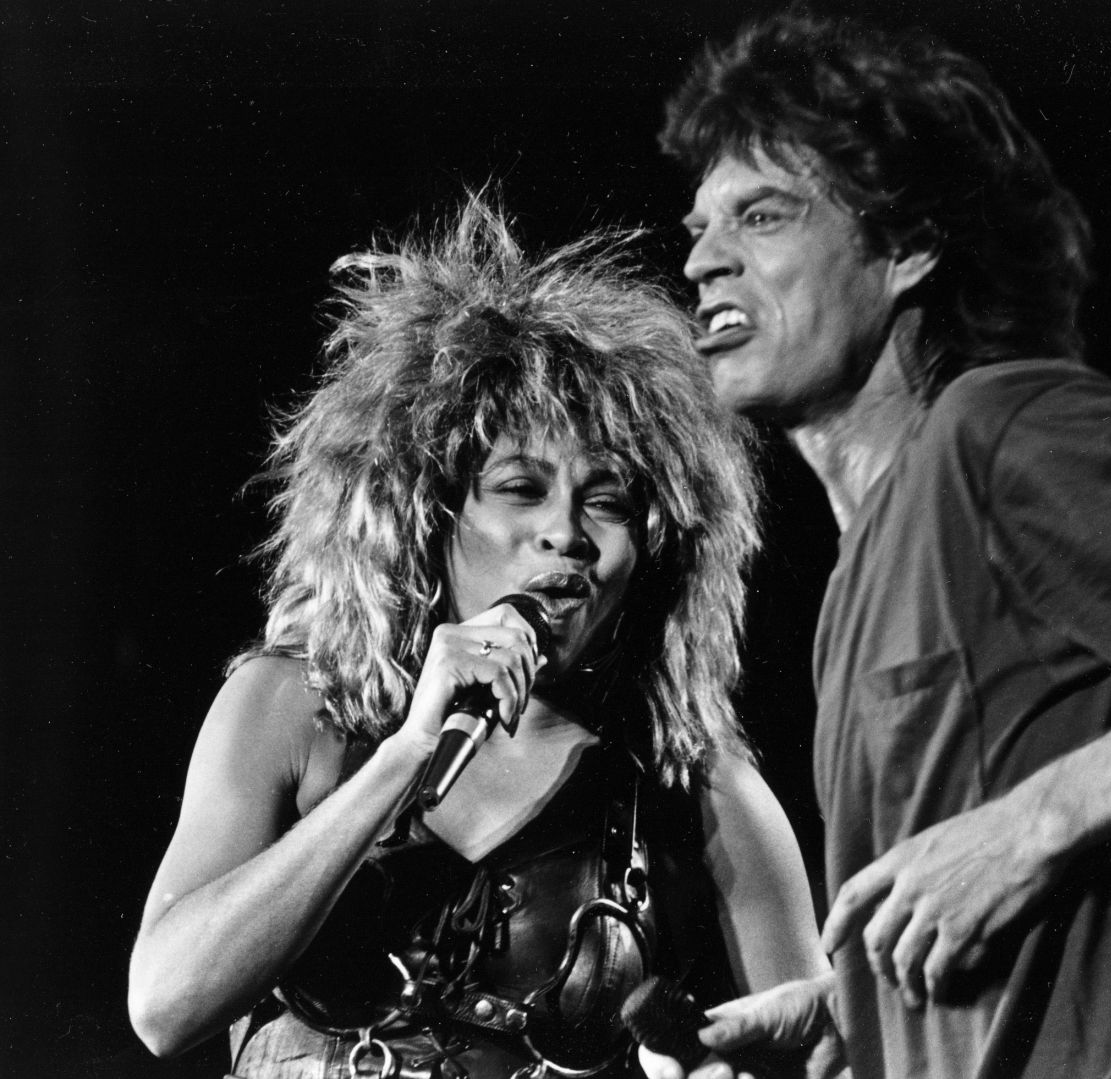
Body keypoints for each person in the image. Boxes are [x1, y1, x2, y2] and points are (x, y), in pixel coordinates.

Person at [644, 12, 1111, 1079]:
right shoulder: (862, 568)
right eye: (699, 226)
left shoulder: (999, 429)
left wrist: (1030, 825)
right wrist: (861, 1012)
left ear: (906, 244)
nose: (702, 260)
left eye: (761, 216)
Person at [127, 198, 826, 1078]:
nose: (564, 534)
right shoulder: (295, 706)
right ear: (432, 513)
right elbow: (164, 1003)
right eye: (521, 488)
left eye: (605, 501)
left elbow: (825, 1056)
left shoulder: (697, 788)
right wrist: (405, 756)